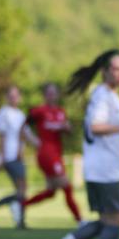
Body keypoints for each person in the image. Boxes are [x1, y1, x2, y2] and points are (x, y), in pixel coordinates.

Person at [46, 50, 119, 239]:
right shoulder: (103, 96)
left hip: (99, 169)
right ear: (104, 71)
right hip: (107, 171)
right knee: (115, 221)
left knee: (105, 221)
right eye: (116, 69)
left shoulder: (108, 95)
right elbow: (96, 127)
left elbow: (104, 130)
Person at [23, 83, 84, 223]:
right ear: (44, 95)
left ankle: (21, 205)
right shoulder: (39, 111)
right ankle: (80, 220)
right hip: (47, 153)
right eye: (49, 93)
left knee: (51, 192)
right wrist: (33, 140)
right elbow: (23, 125)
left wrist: (67, 128)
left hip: (57, 153)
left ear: (57, 95)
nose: (51, 96)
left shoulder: (61, 112)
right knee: (67, 186)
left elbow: (68, 131)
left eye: (54, 93)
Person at [0, 86, 32, 228]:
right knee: (22, 188)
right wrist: (2, 157)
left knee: (21, 190)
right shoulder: (3, 113)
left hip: (18, 156)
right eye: (11, 95)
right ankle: (20, 220)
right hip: (10, 156)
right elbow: (2, 136)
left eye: (16, 95)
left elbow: (26, 135)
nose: (14, 98)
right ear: (7, 97)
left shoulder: (20, 115)